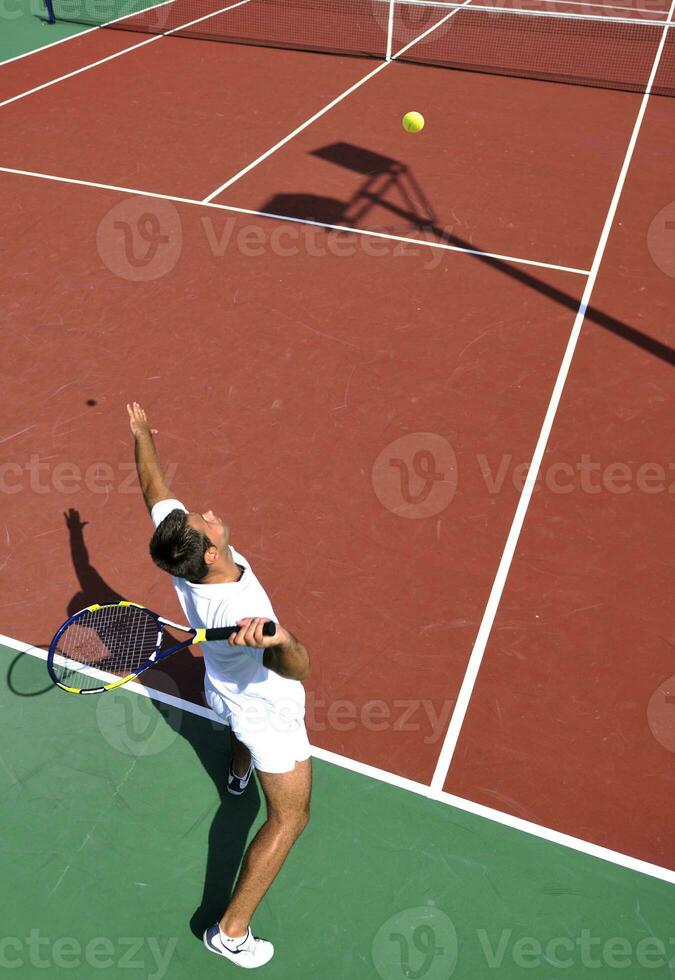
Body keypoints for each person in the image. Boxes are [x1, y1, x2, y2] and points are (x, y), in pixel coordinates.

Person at [127, 402, 311, 969]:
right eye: (206, 521)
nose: (207, 512)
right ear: (210, 551)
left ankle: (237, 776)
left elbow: (153, 488)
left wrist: (141, 435)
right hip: (266, 710)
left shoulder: (185, 555)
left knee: (234, 724)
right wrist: (279, 642)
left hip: (221, 691)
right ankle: (230, 931)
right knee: (290, 817)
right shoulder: (243, 610)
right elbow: (300, 669)